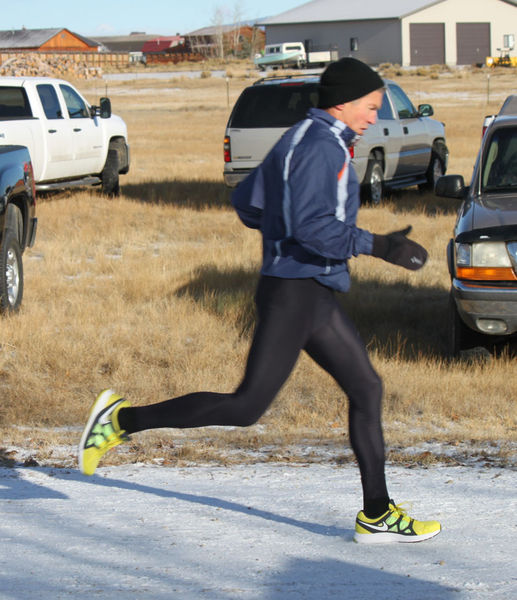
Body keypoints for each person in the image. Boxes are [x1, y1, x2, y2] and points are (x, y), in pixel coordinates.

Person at [79, 58, 441, 544]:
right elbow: (314, 227)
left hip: (309, 291)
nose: (374, 117)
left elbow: (248, 201)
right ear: (345, 101)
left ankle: (376, 512)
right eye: (371, 107)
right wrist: (382, 246)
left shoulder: (298, 138)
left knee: (367, 388)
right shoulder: (321, 148)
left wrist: (282, 237)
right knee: (247, 406)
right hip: (294, 294)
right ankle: (119, 420)